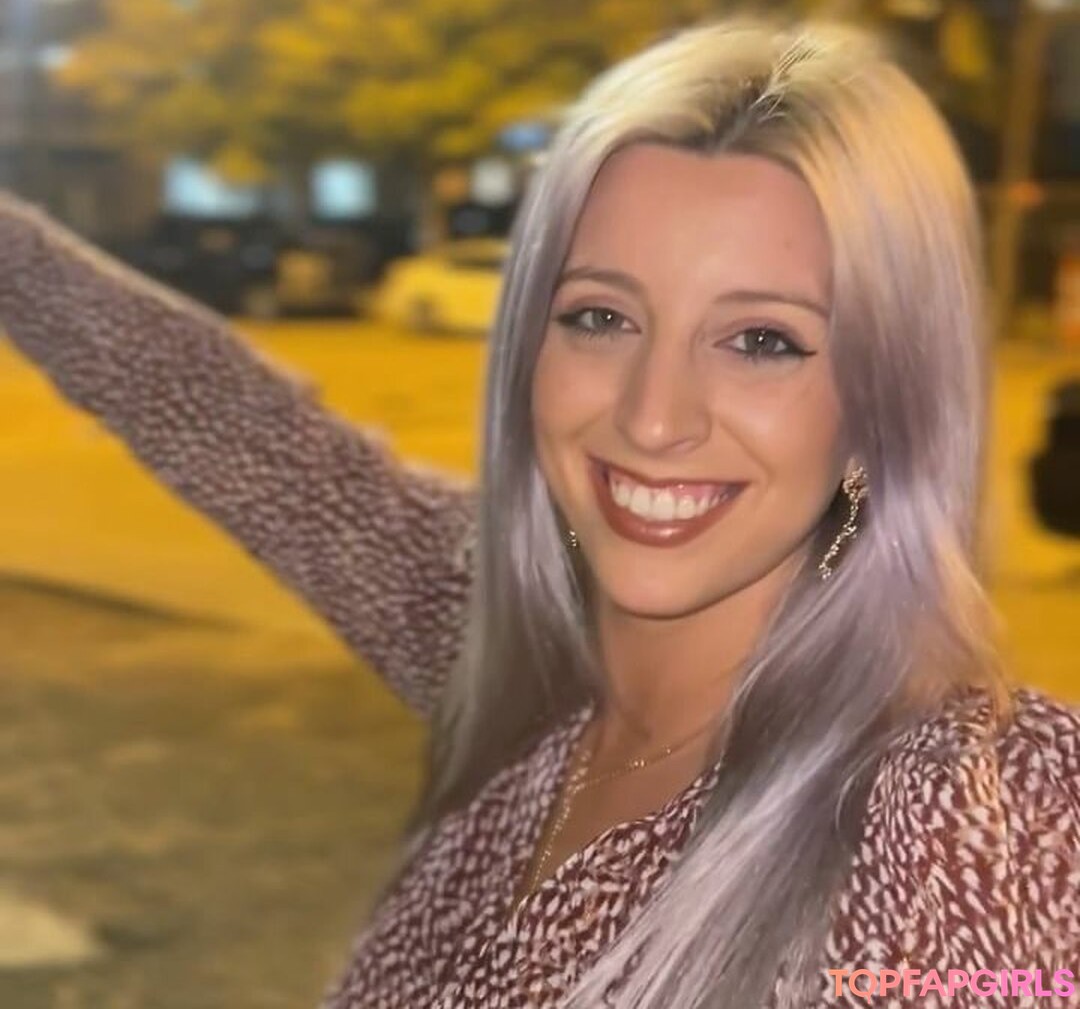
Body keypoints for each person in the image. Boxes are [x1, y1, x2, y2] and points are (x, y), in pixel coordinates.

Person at [1, 17, 1077, 1009]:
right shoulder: (514, 647)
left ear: (886, 404)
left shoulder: (971, 812)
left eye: (762, 340)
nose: (653, 417)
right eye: (601, 317)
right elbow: (225, 418)